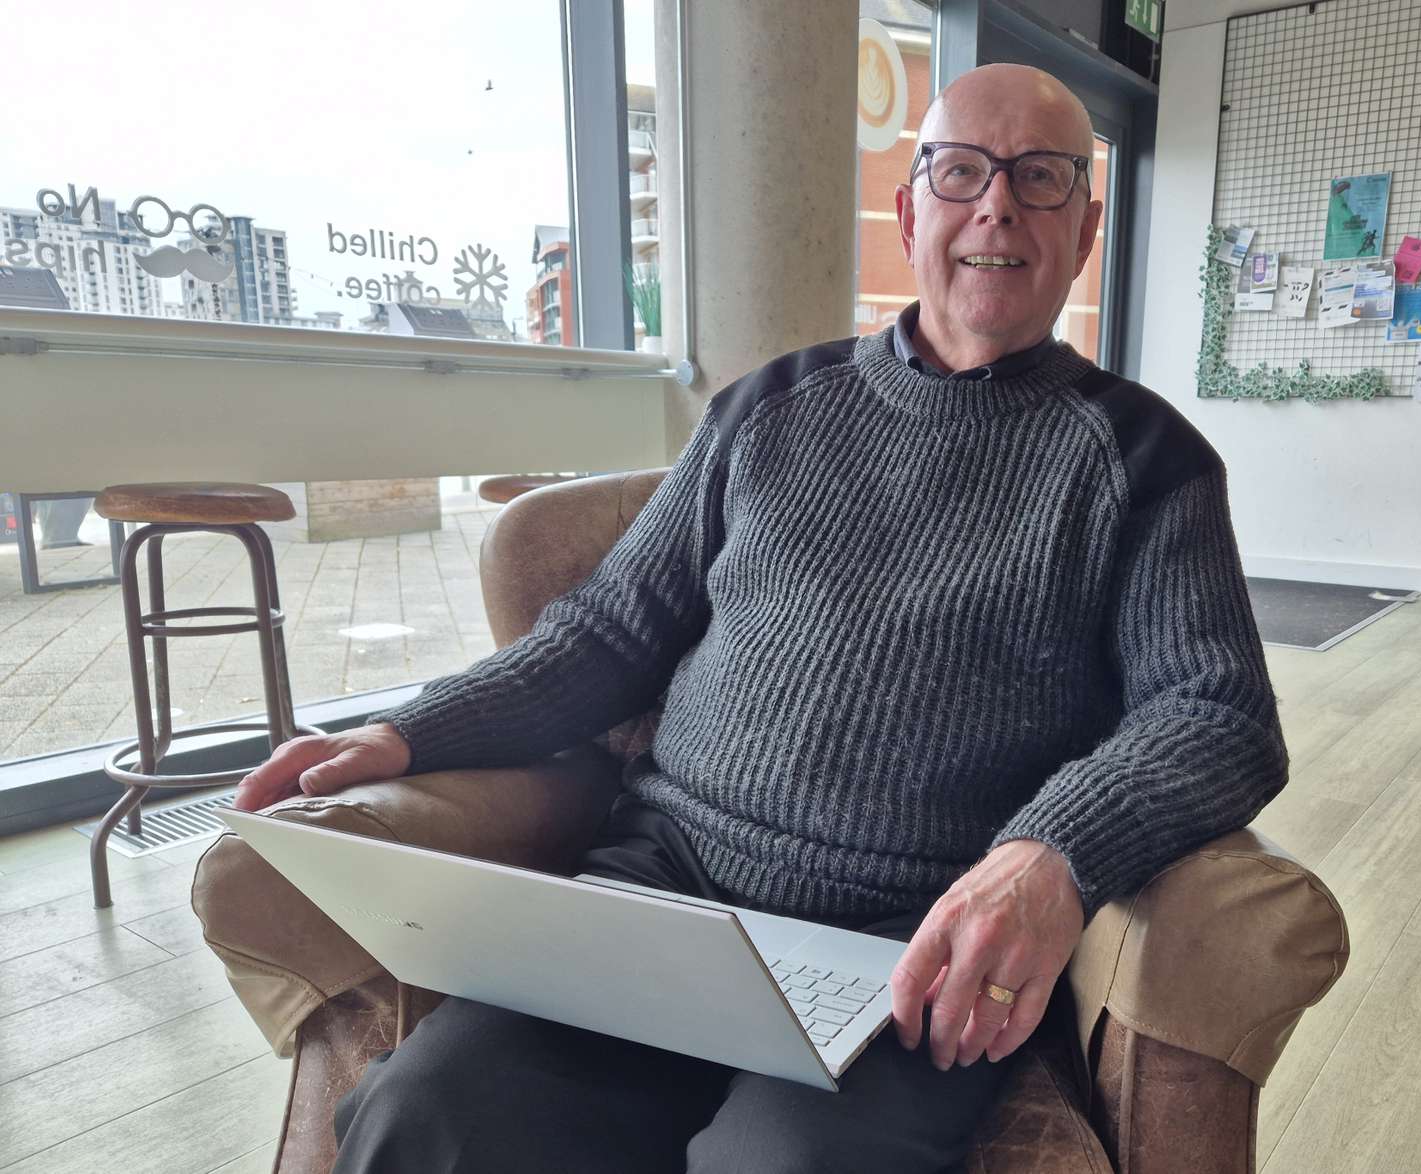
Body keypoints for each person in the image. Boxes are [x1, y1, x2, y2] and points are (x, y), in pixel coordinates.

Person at [234, 62, 1287, 1174]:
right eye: (962, 171)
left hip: (911, 943)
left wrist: (1048, 855)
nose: (996, 206)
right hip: (671, 890)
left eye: (1039, 177)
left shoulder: (1145, 458)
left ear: (1082, 229)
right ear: (910, 207)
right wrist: (413, 729)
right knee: (429, 1108)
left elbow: (1217, 711)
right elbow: (607, 632)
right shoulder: (769, 408)